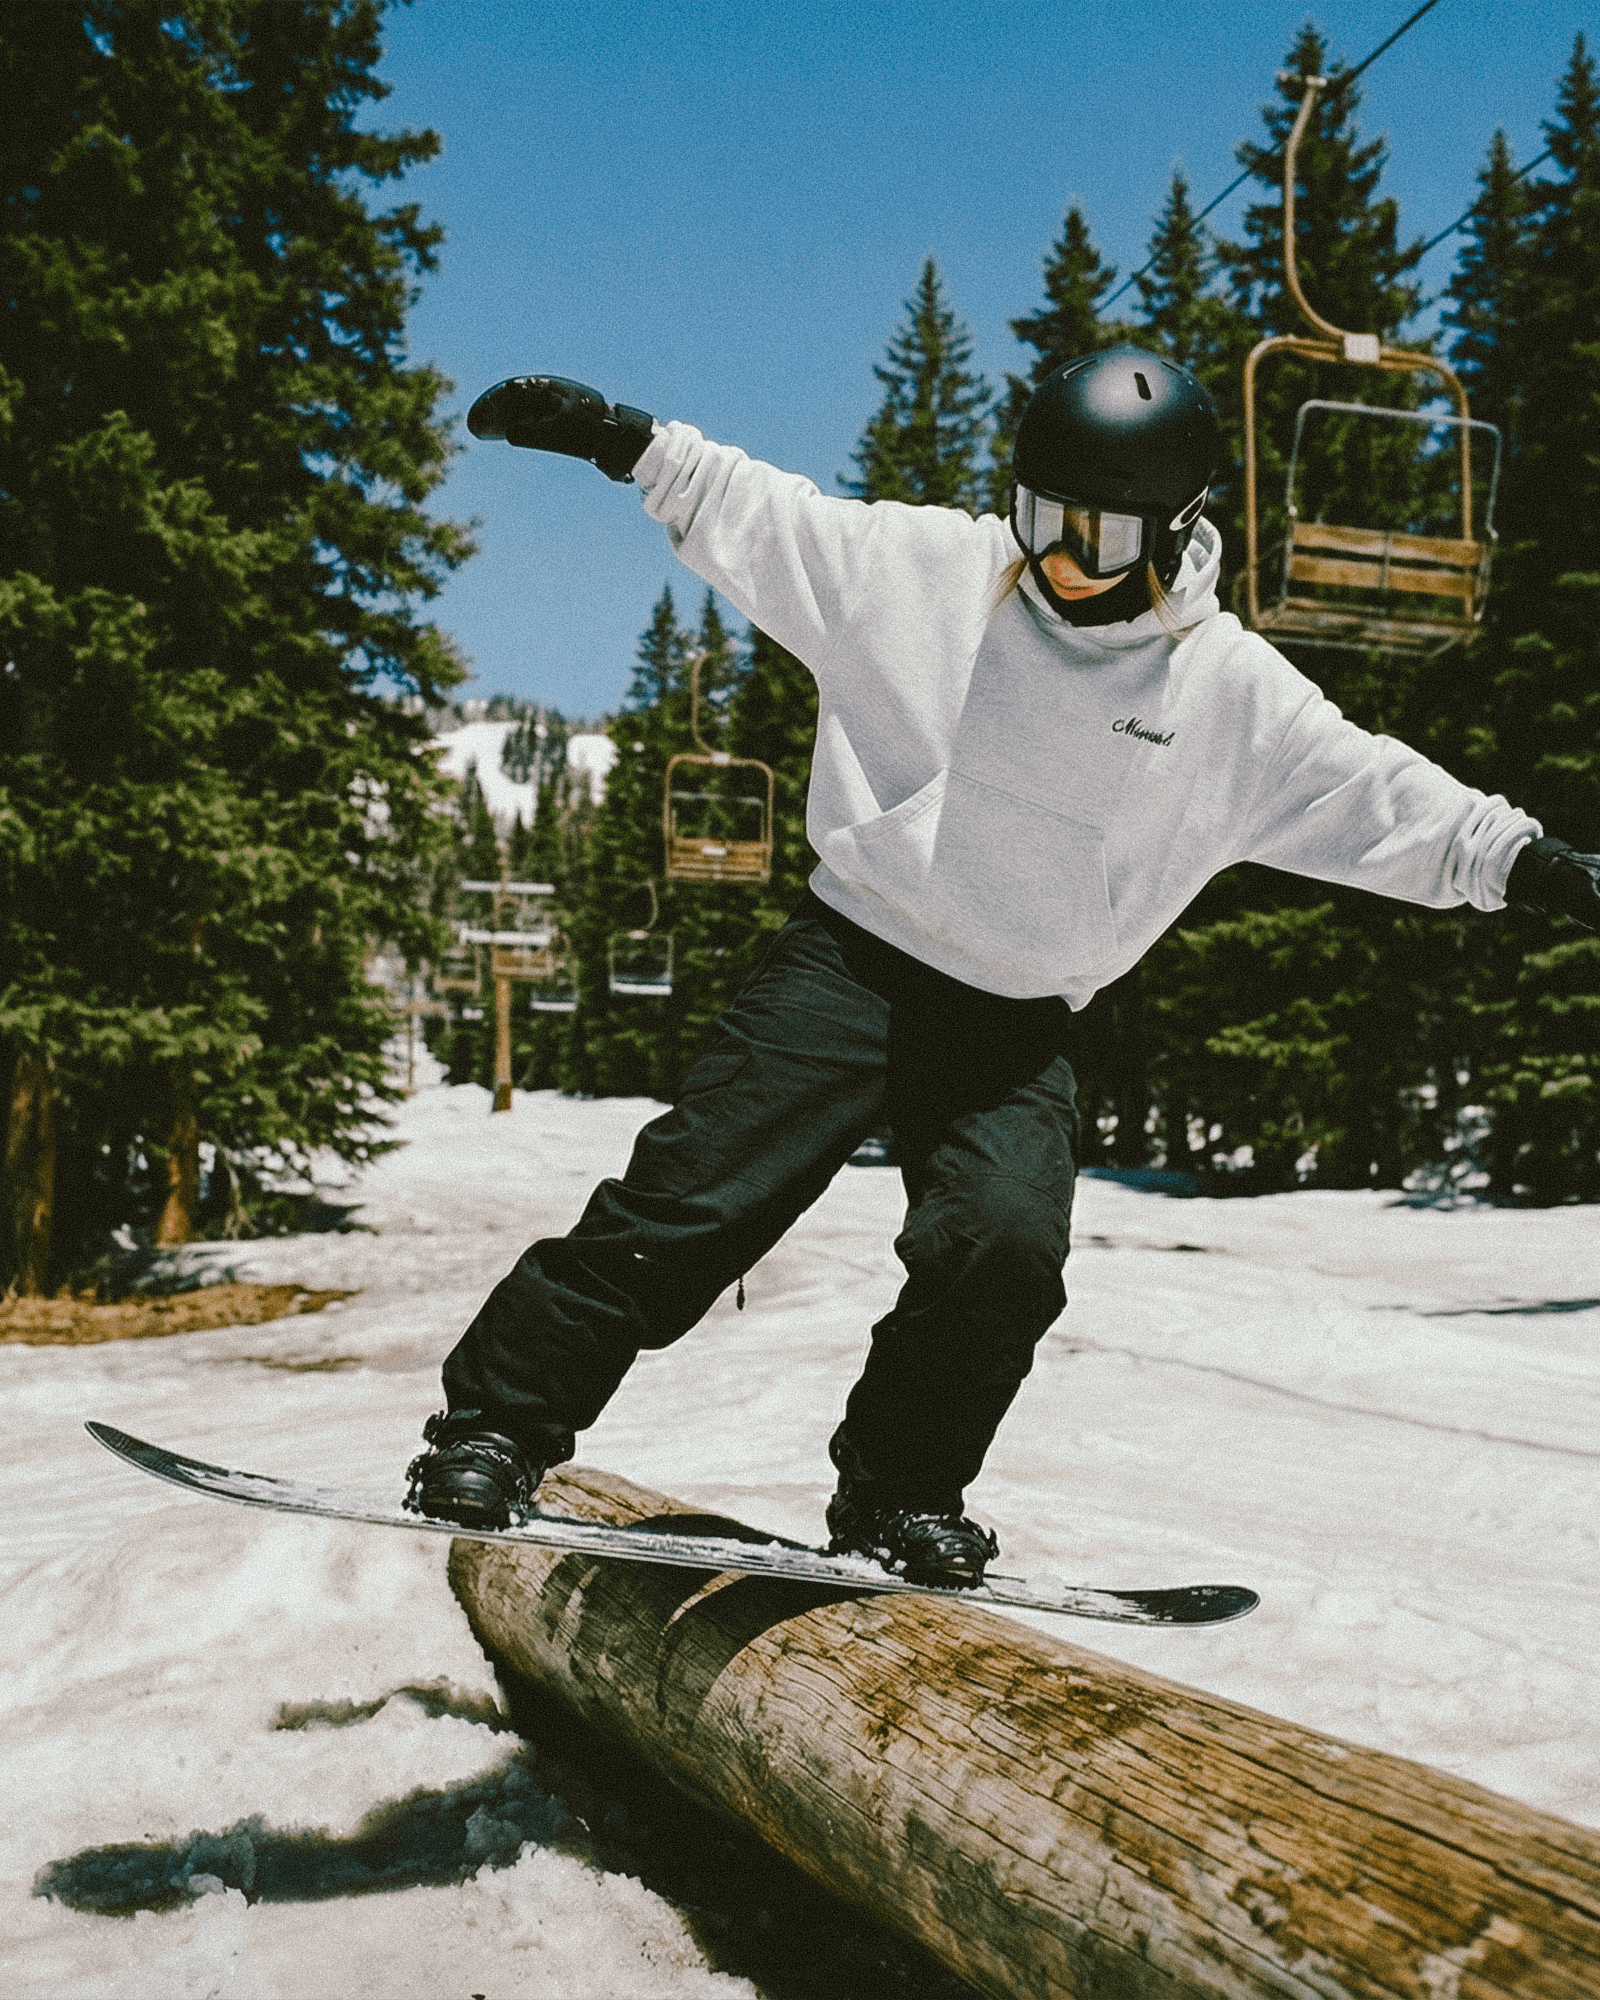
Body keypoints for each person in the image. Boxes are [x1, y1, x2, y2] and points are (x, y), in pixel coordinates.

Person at [405, 347, 1600, 1586]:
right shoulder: (926, 572)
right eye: (1043, 517)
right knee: (692, 1202)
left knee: (1004, 1251)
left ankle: (897, 1493)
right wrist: (614, 434)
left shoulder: (1229, 695)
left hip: (1015, 1017)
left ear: (1175, 526)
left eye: (1104, 535)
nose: (1064, 559)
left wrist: (1540, 864)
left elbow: (1388, 799)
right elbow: (757, 512)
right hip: (852, 959)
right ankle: (495, 1424)